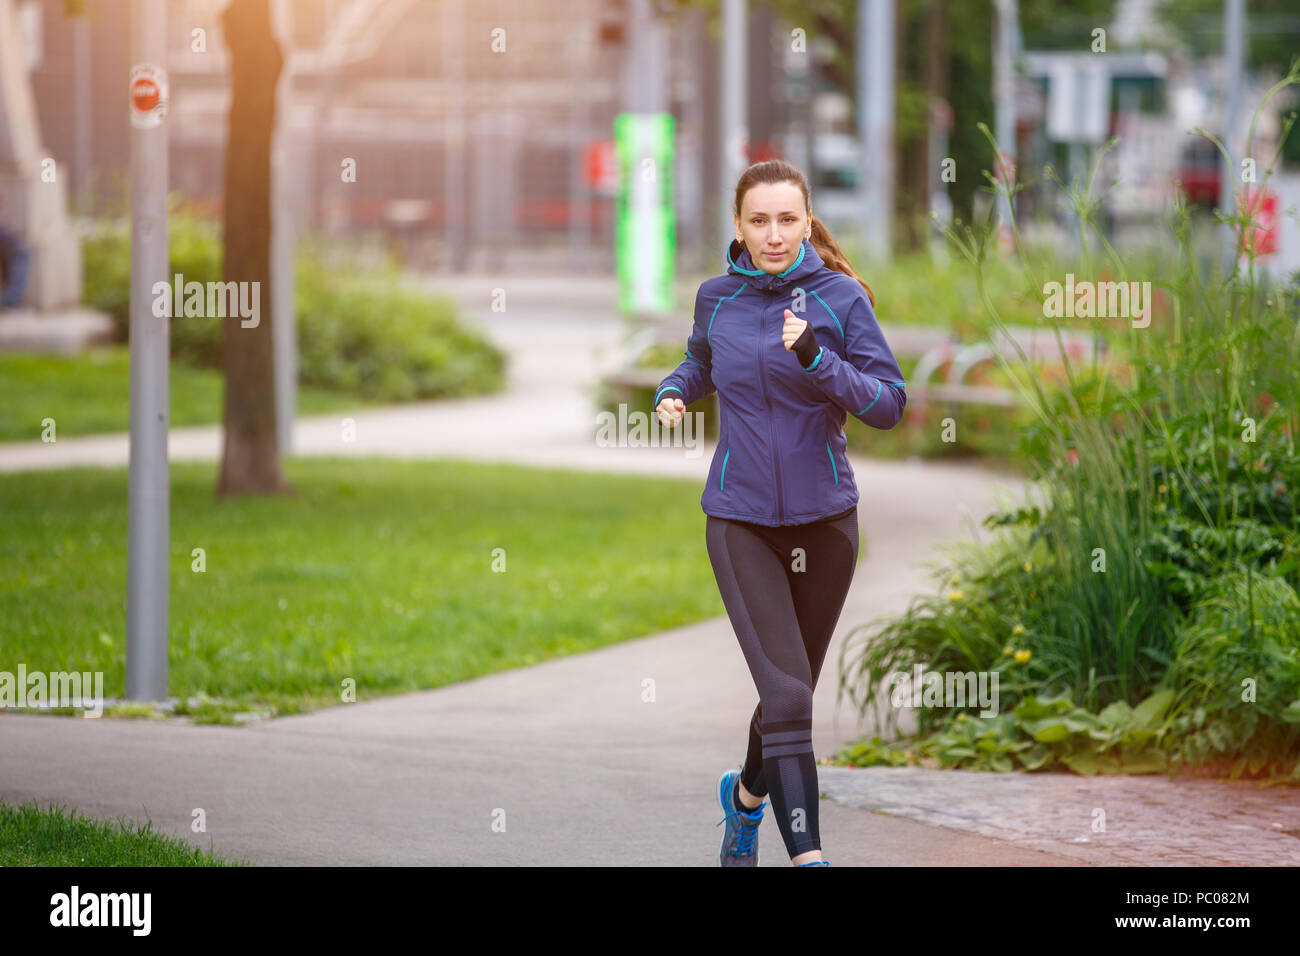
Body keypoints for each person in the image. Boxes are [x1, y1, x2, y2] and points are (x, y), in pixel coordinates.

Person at [653, 159, 907, 867]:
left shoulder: (841, 298)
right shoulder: (717, 298)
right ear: (737, 225)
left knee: (785, 703)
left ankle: (742, 803)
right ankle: (811, 860)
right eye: (758, 220)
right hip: (741, 522)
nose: (772, 234)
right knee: (792, 701)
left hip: (826, 528)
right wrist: (675, 389)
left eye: (786, 219)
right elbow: (701, 361)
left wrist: (816, 360)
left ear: (807, 221)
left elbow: (888, 404)